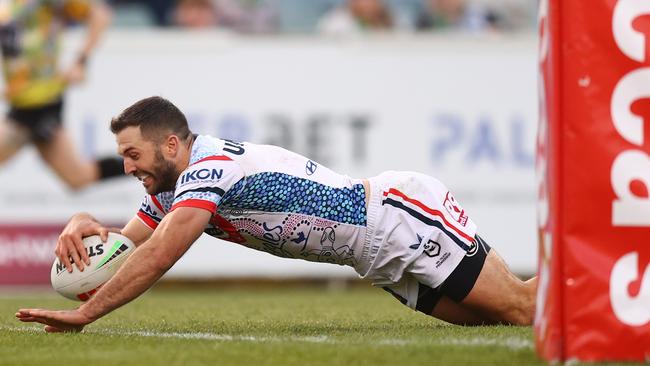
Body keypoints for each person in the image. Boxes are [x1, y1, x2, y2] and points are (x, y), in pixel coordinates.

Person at [16, 96, 537, 332]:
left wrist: (86, 313)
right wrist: (83, 219)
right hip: (373, 260)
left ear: (171, 144)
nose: (127, 167)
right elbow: (130, 246)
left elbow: (158, 257)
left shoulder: (208, 169)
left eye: (133, 155)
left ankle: (606, 269)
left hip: (399, 219)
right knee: (498, 322)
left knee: (519, 308)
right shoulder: (177, 186)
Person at [0, 0, 124, 190]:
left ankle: (149, 162)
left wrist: (81, 61)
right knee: (78, 177)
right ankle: (146, 163)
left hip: (42, 100)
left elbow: (100, 14)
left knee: (78, 177)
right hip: (22, 103)